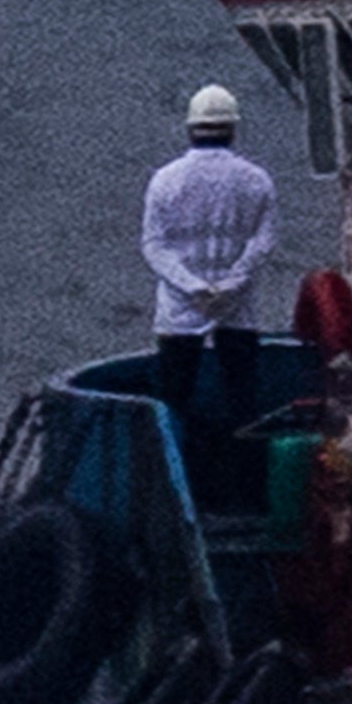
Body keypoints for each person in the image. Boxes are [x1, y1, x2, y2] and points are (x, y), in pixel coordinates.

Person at [141, 82, 279, 489]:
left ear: (190, 128)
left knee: (173, 400)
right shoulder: (256, 180)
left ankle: (170, 486)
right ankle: (247, 486)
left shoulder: (165, 180)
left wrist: (193, 286)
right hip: (237, 306)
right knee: (243, 399)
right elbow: (263, 241)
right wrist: (231, 283)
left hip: (179, 308)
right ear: (233, 129)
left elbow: (154, 245)